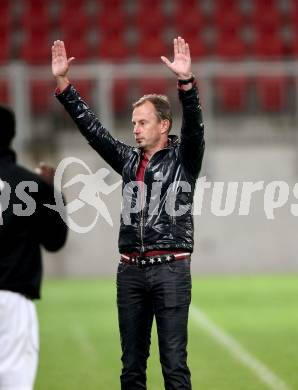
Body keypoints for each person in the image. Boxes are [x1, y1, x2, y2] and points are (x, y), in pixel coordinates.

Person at [52, 36, 205, 390]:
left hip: (171, 271)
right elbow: (94, 132)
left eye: (142, 122)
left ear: (164, 125)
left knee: (174, 367)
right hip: (130, 273)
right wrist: (63, 84)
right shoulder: (127, 159)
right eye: (133, 122)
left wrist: (186, 85)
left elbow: (195, 125)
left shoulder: (186, 158)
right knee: (131, 369)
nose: (134, 128)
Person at [0, 105, 68, 389]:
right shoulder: (30, 185)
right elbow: (54, 241)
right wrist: (53, 194)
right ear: (12, 135)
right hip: (12, 300)